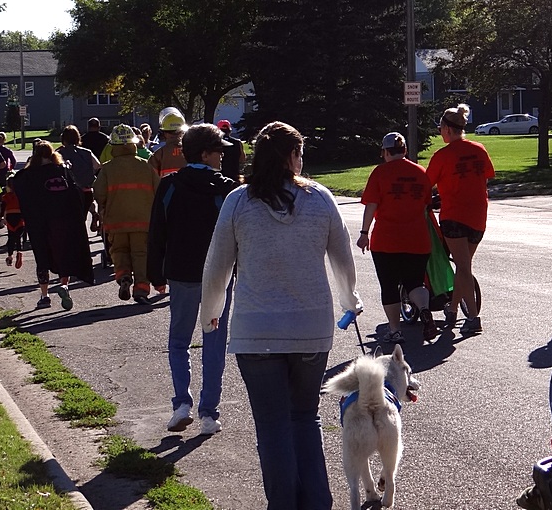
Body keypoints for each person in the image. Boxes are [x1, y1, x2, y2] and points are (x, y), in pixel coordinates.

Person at [200, 121, 363, 510]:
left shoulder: (239, 201)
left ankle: (284, 502)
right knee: (304, 418)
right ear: (292, 156)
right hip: (310, 328)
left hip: (256, 330)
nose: (302, 160)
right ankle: (317, 502)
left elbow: (217, 265)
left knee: (272, 425)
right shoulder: (321, 199)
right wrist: (349, 301)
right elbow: (342, 260)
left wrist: (211, 311)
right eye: (300, 153)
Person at [148, 123, 238, 435]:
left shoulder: (170, 184)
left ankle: (181, 404)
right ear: (205, 153)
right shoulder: (226, 188)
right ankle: (209, 413)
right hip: (218, 275)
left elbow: (158, 229)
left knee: (179, 341)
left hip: (181, 271)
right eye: (219, 151)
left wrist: (154, 272)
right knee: (214, 343)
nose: (223, 156)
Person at [356, 132, 435, 343]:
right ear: (405, 151)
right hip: (418, 239)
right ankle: (425, 310)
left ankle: (395, 330)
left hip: (387, 240)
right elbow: (427, 204)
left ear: (385, 152)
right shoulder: (421, 172)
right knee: (415, 282)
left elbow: (371, 205)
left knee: (389, 285)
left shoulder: (380, 173)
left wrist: (364, 233)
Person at [426, 104, 495, 336]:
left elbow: (426, 185)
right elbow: (484, 179)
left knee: (464, 267)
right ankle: (452, 310)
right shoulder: (479, 149)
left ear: (447, 128)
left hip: (454, 216)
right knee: (463, 267)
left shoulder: (442, 156)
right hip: (478, 216)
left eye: (440, 128)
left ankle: (473, 318)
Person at [12, 141, 95, 310]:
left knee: (42, 257)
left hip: (40, 222)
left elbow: (16, 186)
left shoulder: (28, 175)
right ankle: (64, 285)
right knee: (64, 254)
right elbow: (77, 194)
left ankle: (44, 296)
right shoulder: (63, 171)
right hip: (64, 221)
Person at [94, 124, 160, 302]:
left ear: (113, 146)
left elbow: (98, 193)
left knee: (119, 251)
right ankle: (141, 289)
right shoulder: (146, 167)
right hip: (143, 221)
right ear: (133, 144)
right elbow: (158, 190)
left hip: (116, 221)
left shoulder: (108, 168)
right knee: (141, 254)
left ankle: (124, 277)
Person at [57, 125, 102, 229]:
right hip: (86, 191)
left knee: (70, 222)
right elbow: (97, 165)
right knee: (82, 219)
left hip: (67, 193)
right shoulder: (86, 152)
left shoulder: (58, 154)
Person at [148, 107, 188, 178]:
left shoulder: (158, 155)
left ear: (164, 133)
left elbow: (150, 179)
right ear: (182, 132)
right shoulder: (192, 152)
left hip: (166, 188)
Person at [0, 174, 24, 269]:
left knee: (11, 237)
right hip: (20, 216)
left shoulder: (6, 197)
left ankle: (10, 255)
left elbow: (3, 207)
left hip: (10, 216)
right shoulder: (21, 196)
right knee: (19, 237)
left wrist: (1, 217)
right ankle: (19, 252)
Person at [216, 119, 246, 183]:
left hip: (218, 176)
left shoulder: (215, 143)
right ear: (229, 131)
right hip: (233, 176)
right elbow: (242, 159)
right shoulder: (238, 142)